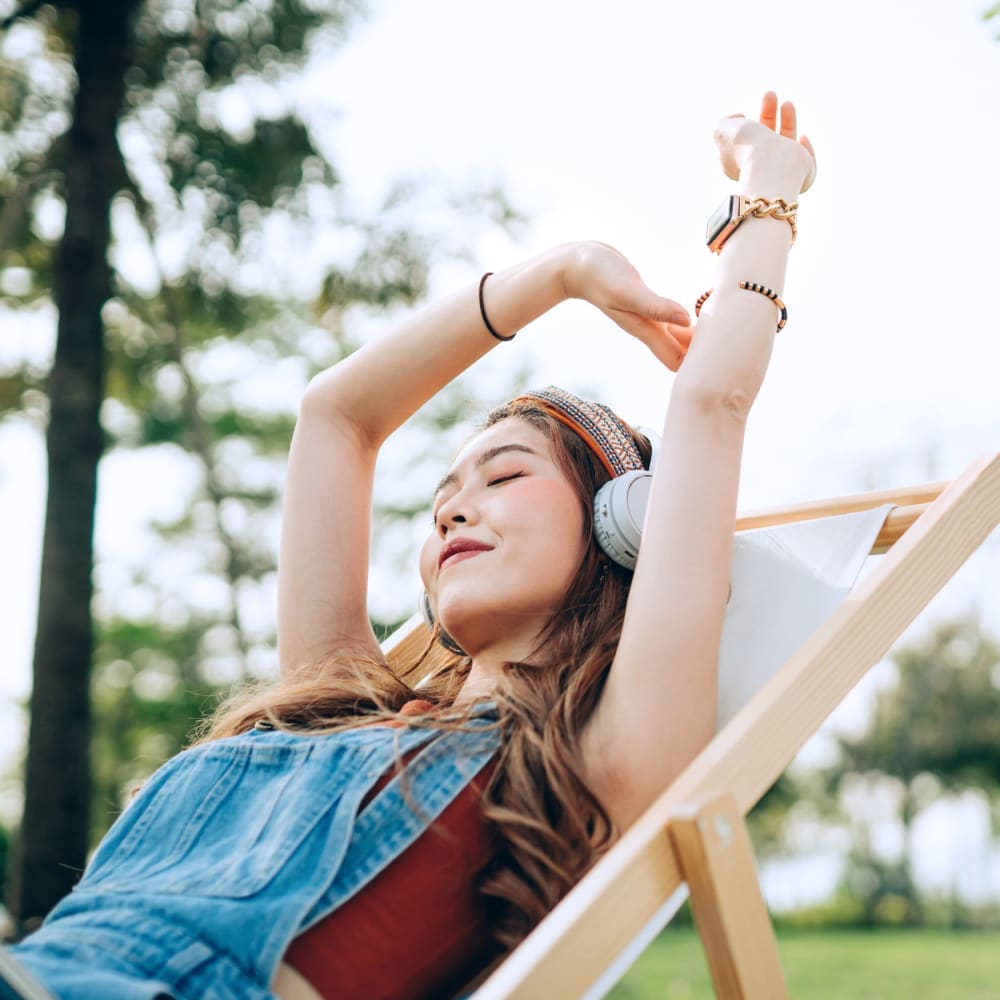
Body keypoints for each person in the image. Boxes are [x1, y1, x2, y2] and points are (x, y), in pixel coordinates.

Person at [2, 91, 815, 1000]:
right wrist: (560, 273)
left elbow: (712, 402)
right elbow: (336, 416)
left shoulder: (593, 763)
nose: (454, 514)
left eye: (503, 479)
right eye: (439, 507)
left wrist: (772, 192)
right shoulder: (337, 698)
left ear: (623, 519)